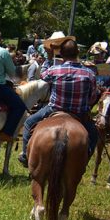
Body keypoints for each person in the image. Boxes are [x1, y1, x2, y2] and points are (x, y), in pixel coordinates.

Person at [18, 39, 99, 167]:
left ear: (61, 53)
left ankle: (25, 155)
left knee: (28, 123)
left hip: (54, 109)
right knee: (94, 134)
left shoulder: (54, 70)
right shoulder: (89, 74)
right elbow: (93, 98)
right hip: (79, 113)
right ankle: (86, 157)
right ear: (77, 52)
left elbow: (42, 76)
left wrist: (49, 58)